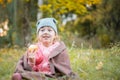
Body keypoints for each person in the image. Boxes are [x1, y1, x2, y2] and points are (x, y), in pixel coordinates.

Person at [12, 18, 80, 80]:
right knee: (19, 76)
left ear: (55, 35)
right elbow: (30, 67)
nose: (45, 32)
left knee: (68, 77)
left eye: (49, 30)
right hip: (37, 75)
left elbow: (64, 66)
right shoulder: (35, 48)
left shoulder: (59, 48)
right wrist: (31, 61)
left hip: (53, 75)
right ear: (38, 35)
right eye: (42, 30)